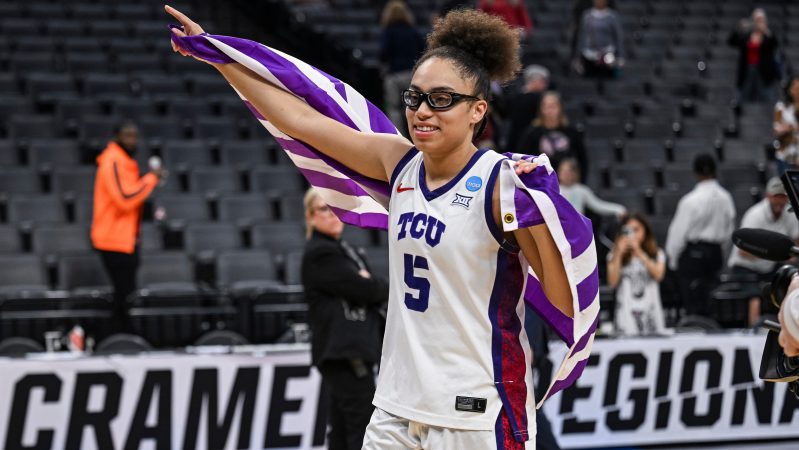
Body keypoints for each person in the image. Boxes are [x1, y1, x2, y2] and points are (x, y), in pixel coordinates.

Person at [167, 6, 598, 448]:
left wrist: (541, 214)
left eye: (442, 99)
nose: (423, 111)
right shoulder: (399, 162)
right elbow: (301, 121)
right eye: (415, 97)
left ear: (478, 111)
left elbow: (563, 300)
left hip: (475, 411)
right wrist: (219, 56)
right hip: (396, 404)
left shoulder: (505, 188)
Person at [302, 188, 390, 450]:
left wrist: (371, 284)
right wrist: (368, 284)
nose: (333, 216)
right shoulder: (321, 253)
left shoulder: (345, 249)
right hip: (342, 351)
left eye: (335, 209)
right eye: (324, 209)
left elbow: (372, 286)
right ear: (310, 216)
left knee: (342, 424)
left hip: (351, 349)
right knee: (360, 422)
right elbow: (368, 289)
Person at [90, 121, 162, 330]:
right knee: (123, 295)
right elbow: (125, 198)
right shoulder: (112, 160)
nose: (132, 140)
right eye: (127, 135)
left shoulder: (124, 162)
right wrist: (151, 179)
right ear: (116, 137)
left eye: (134, 135)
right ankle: (117, 338)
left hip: (126, 239)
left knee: (126, 295)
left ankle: (122, 338)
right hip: (112, 239)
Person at [665, 154, 736, 318]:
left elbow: (678, 234)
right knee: (710, 300)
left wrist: (673, 261)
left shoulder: (690, 200)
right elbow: (728, 232)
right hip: (715, 253)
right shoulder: (726, 198)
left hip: (694, 255)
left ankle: (694, 329)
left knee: (693, 303)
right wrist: (720, 252)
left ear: (696, 173)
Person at [728, 177, 799, 324]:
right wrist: (774, 253)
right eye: (775, 196)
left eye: (782, 196)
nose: (779, 200)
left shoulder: (789, 214)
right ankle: (753, 330)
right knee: (755, 297)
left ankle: (789, 324)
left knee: (792, 282)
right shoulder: (754, 215)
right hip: (747, 266)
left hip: (771, 266)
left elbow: (795, 240)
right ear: (768, 196)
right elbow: (743, 251)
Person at [607, 213, 667, 335]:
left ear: (645, 231)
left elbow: (658, 275)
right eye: (628, 230)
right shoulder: (614, 255)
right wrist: (618, 253)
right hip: (626, 311)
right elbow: (612, 282)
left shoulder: (657, 254)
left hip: (650, 309)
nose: (632, 235)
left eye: (636, 230)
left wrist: (639, 252)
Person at [380, 1, 426, 131]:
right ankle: (417, 132)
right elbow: (423, 51)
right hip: (412, 75)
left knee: (393, 108)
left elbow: (384, 54)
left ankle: (398, 135)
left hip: (394, 75)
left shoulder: (388, 32)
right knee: (415, 106)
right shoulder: (413, 31)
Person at [516, 91, 587, 176]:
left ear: (560, 108)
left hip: (566, 182)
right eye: (546, 107)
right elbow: (522, 158)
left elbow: (583, 160)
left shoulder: (571, 132)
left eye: (553, 106)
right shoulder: (532, 132)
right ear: (541, 109)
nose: (549, 110)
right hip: (539, 180)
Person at [728, 8, 780, 104]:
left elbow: (775, 44)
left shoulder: (767, 35)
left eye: (761, 19)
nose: (758, 22)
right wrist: (738, 28)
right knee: (742, 98)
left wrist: (766, 31)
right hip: (747, 70)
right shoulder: (746, 34)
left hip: (764, 72)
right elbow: (731, 41)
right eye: (757, 19)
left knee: (767, 99)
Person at [556, 157, 624, 217]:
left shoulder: (581, 190)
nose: (565, 175)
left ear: (574, 174)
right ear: (558, 173)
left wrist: (618, 209)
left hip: (578, 228)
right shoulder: (554, 190)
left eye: (569, 172)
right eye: (563, 171)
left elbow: (599, 205)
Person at [504, 64, 549, 154]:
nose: (546, 85)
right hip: (531, 143)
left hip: (514, 141)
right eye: (543, 81)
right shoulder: (538, 99)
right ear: (535, 81)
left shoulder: (513, 97)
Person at [574, 0, 624, 78]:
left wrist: (620, 56)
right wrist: (577, 57)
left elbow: (618, 37)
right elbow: (582, 36)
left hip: (607, 54)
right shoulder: (587, 16)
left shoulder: (612, 16)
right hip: (589, 54)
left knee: (607, 79)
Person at [774, 76, 799, 173]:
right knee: (786, 185)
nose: (797, 92)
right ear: (789, 90)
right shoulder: (781, 107)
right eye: (796, 89)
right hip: (785, 154)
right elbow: (777, 129)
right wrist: (790, 127)